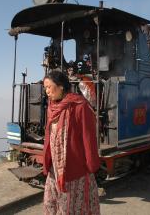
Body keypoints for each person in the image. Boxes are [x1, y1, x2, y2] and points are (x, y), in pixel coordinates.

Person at [42, 70, 101, 215]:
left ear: (61, 86)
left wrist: (91, 165)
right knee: (50, 205)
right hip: (54, 170)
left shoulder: (80, 106)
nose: (47, 91)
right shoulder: (52, 107)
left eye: (49, 87)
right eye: (45, 88)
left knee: (71, 209)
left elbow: (89, 139)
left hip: (74, 171)